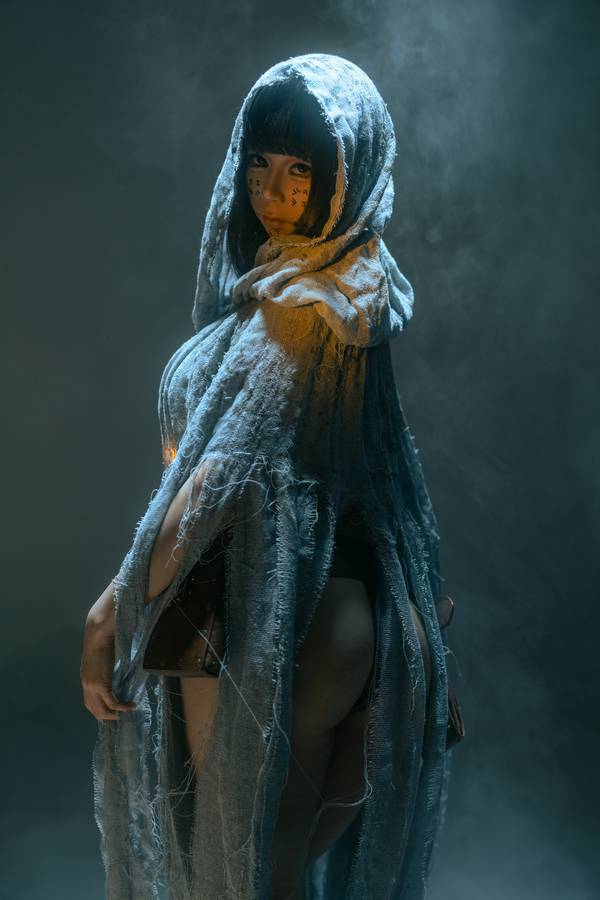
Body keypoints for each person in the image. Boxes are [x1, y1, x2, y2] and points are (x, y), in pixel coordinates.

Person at [80, 53, 455, 900]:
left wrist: (112, 610)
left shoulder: (307, 311)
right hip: (347, 613)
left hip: (267, 613)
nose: (273, 191)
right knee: (273, 858)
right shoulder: (349, 284)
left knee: (234, 867)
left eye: (301, 171)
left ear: (345, 177)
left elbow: (218, 481)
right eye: (260, 162)